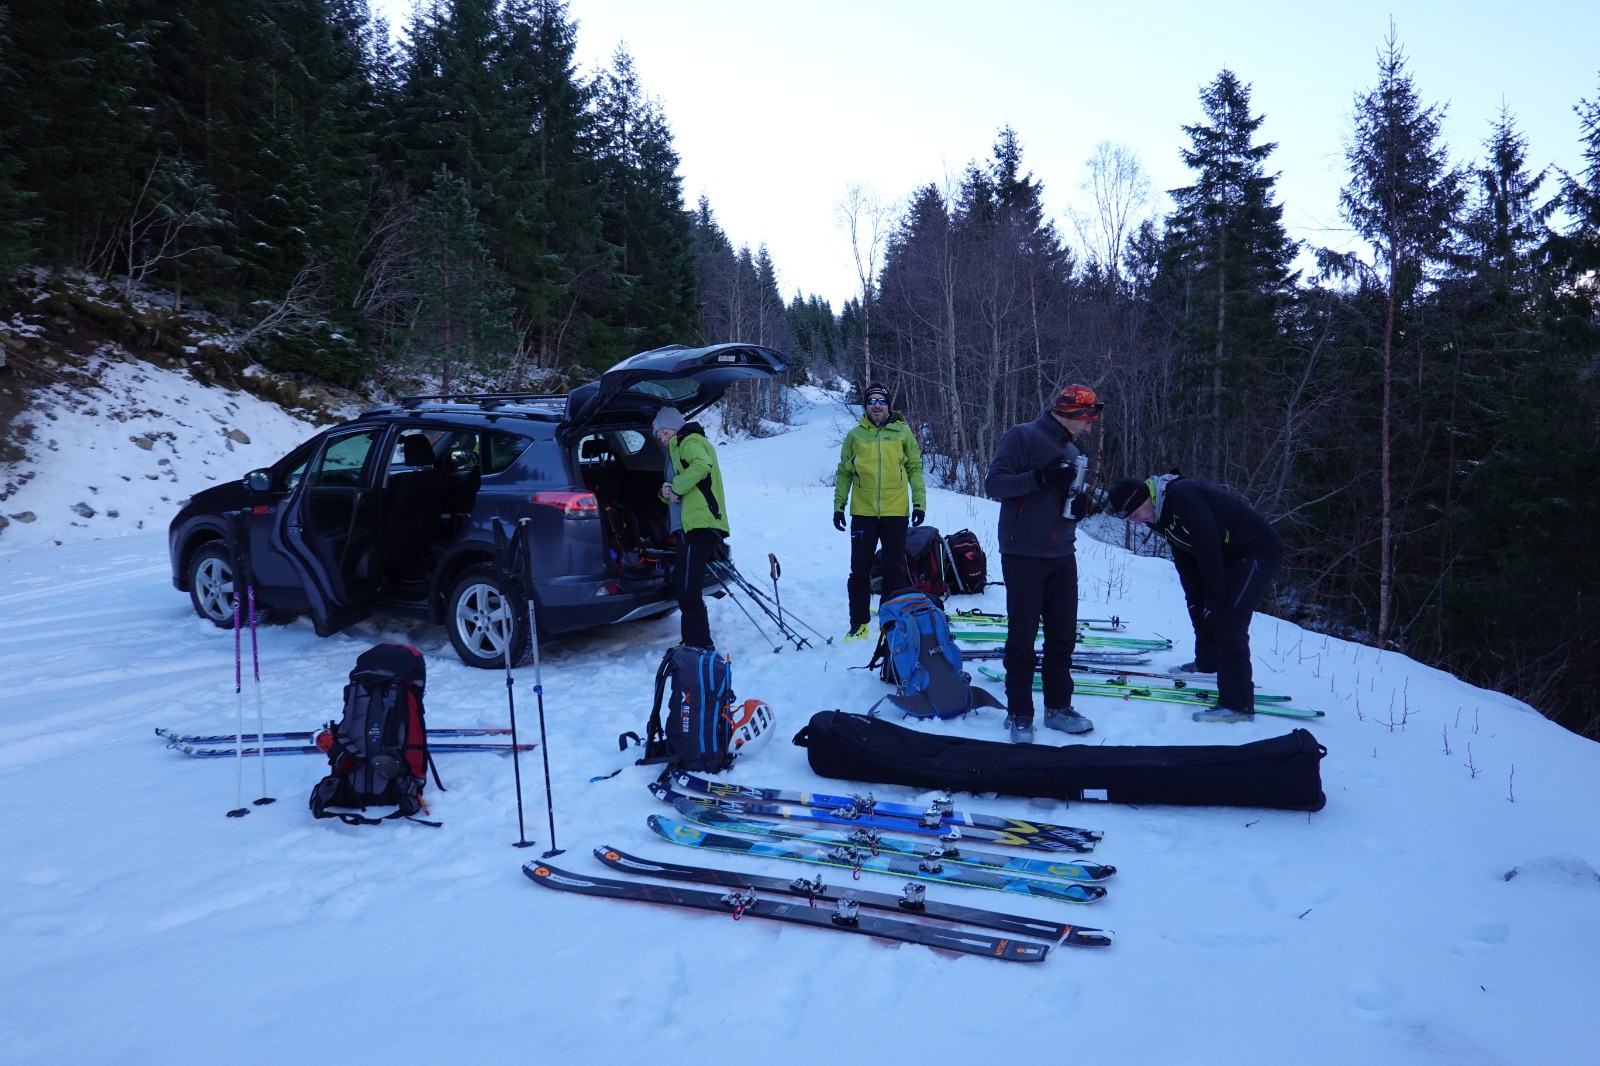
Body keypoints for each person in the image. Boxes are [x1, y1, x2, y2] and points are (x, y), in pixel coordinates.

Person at [1105, 474, 1284, 723]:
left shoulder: (1183, 496)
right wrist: (1195, 600)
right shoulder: (1161, 516)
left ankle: (1238, 705)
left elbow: (1207, 548)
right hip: (1228, 556)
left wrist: (1214, 599)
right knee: (1200, 607)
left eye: (1134, 514)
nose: (1136, 522)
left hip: (1255, 550)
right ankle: (1208, 662)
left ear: (1143, 498)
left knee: (1228, 619)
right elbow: (1186, 559)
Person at [982, 384, 1101, 743]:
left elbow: (1066, 503)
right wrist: (1041, 477)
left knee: (1063, 636)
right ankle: (1019, 714)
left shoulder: (1072, 450)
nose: (1090, 427)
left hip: (1063, 553)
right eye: (1088, 419)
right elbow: (995, 484)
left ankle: (1058, 708)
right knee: (1022, 637)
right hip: (1024, 553)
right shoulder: (1023, 436)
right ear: (1073, 414)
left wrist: (1080, 507)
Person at [833, 383, 927, 641]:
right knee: (860, 571)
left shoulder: (903, 433)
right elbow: (844, 472)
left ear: (888, 405)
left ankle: (889, 626)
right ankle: (859, 624)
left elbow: (915, 469)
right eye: (872, 401)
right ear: (865, 406)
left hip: (895, 512)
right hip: (862, 512)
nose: (876, 406)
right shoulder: (855, 435)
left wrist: (919, 503)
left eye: (881, 401)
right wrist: (839, 505)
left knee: (893, 570)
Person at [655, 406, 728, 650]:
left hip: (699, 525)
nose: (663, 440)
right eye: (659, 436)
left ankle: (699, 644)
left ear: (675, 427)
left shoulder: (689, 440)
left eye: (664, 433)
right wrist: (667, 491)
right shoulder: (680, 446)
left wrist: (676, 488)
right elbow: (685, 488)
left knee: (688, 591)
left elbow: (702, 465)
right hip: (694, 524)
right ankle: (693, 641)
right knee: (686, 588)